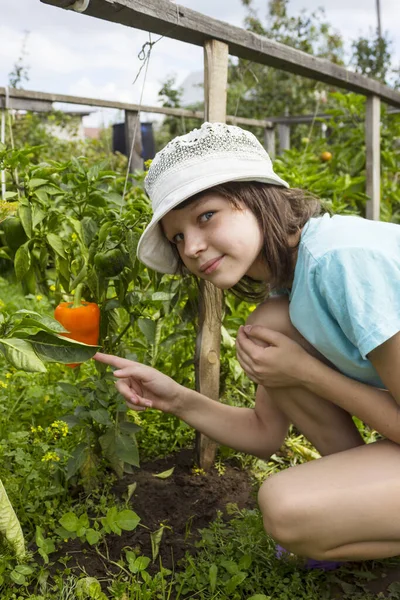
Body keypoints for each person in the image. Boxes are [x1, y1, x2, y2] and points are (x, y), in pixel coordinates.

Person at [95, 121, 400, 569]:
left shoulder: (339, 261)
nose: (192, 248)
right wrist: (174, 398)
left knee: (286, 506)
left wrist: (307, 373)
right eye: (177, 237)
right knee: (271, 331)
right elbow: (264, 433)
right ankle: (366, 511)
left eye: (206, 216)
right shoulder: (290, 295)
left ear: (256, 198)